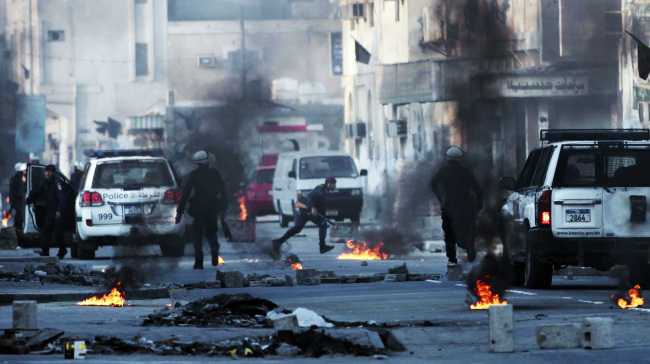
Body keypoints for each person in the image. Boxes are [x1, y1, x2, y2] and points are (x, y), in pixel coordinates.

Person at [175, 151, 228, 269]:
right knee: (212, 231)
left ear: (197, 163)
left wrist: (179, 212)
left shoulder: (194, 175)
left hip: (198, 209)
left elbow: (185, 194)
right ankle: (214, 247)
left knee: (197, 235)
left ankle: (199, 261)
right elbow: (223, 192)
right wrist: (224, 208)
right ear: (207, 162)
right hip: (213, 208)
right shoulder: (215, 173)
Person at [431, 146, 483, 266]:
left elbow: (433, 184)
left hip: (450, 207)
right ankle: (468, 246)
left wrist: (441, 202)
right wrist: (478, 209)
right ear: (460, 159)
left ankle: (452, 260)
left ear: (447, 159)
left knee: (449, 235)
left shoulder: (444, 171)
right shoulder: (467, 172)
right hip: (466, 208)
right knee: (464, 233)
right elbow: (479, 191)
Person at [271, 176, 337, 259]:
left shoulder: (324, 190)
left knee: (298, 228)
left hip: (305, 209)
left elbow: (321, 206)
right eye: (333, 184)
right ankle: (322, 246)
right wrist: (313, 208)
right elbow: (309, 196)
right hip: (307, 209)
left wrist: (324, 216)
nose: (334, 186)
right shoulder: (321, 191)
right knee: (323, 224)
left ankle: (278, 241)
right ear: (329, 184)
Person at [25, 164, 68, 259]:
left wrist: (59, 211)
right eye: (47, 172)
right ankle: (45, 253)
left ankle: (63, 250)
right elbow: (38, 192)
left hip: (57, 212)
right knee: (46, 231)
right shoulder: (46, 182)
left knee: (58, 233)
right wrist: (29, 199)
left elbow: (62, 199)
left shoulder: (57, 183)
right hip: (49, 212)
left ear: (53, 172)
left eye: (50, 172)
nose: (48, 173)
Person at [9, 163, 26, 234]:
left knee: (21, 214)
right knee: (19, 214)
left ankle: (19, 228)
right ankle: (17, 228)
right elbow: (13, 191)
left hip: (21, 199)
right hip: (16, 200)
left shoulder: (22, 178)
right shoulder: (14, 179)